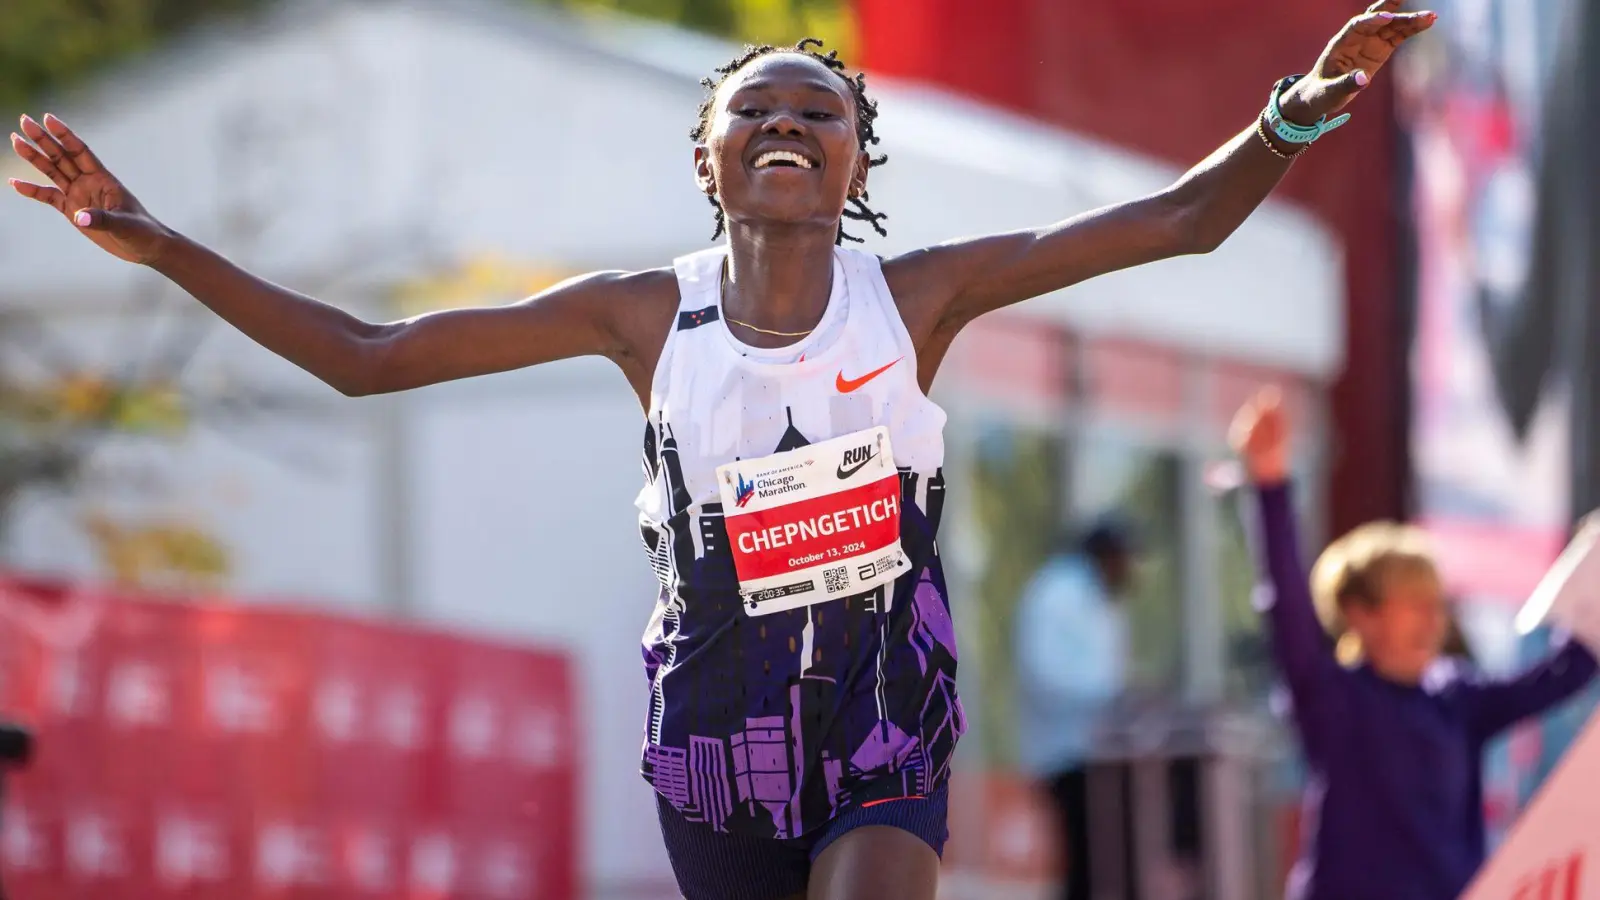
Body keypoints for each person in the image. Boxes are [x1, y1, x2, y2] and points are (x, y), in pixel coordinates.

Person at [9, 6, 1435, 897]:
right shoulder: (642, 314)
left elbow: (1176, 225)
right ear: (707, 155)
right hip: (714, 736)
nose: (788, 125)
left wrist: (1295, 109)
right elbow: (368, 357)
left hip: (883, 714)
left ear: (858, 166)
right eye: (755, 108)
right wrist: (154, 241)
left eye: (820, 113)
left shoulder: (916, 296)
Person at [1229, 387, 1599, 900]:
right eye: (1414, 602)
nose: (1433, 617)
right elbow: (1285, 603)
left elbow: (1569, 669)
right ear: (1360, 615)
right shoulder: (1332, 700)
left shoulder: (1458, 699)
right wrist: (1270, 483)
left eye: (1436, 601)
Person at [1014, 519, 1134, 900]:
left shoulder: (1097, 599)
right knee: (1085, 866)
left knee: (1103, 865)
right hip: (1068, 755)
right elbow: (1046, 675)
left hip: (1098, 754)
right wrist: (1112, 696)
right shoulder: (1058, 594)